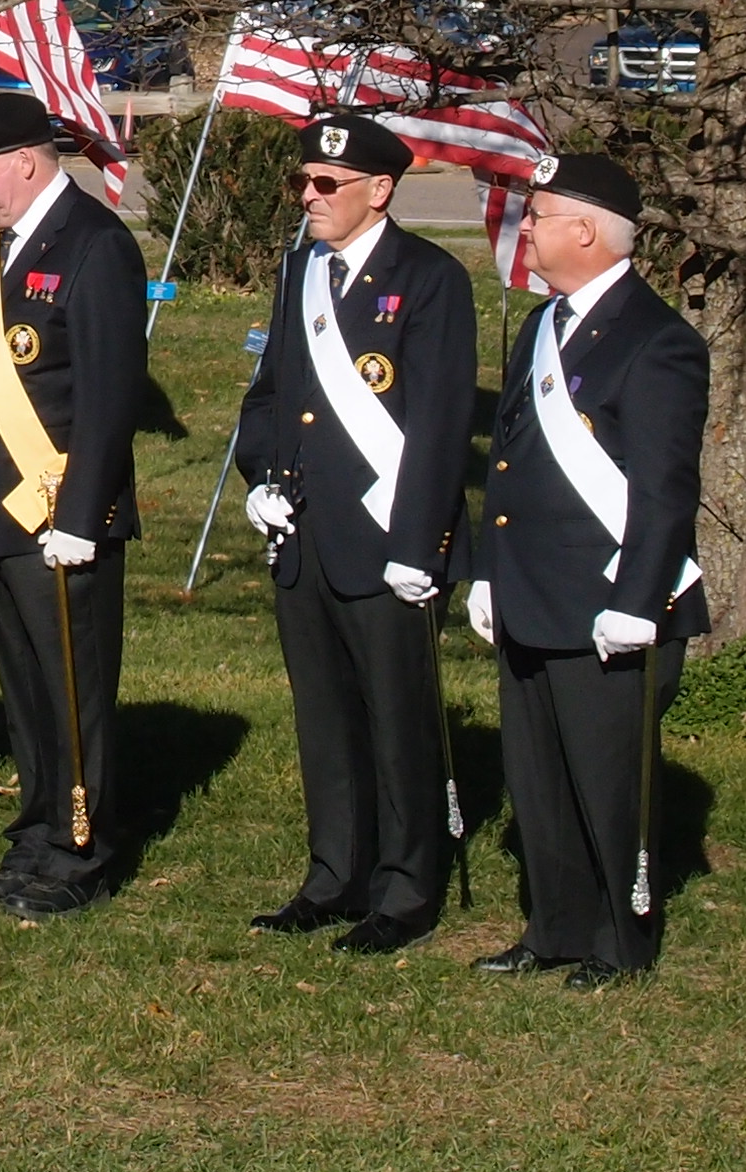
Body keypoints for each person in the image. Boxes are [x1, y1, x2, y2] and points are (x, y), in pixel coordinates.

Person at [234, 112, 478, 953]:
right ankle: (334, 874)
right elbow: (270, 394)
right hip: (304, 536)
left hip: (386, 542)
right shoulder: (302, 270)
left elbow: (443, 428)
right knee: (325, 719)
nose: (309, 196)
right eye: (303, 181)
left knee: (400, 720)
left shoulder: (431, 278)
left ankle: (406, 888)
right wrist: (260, 477)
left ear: (380, 192)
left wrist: (422, 547)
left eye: (327, 185)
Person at [469, 154, 710, 989]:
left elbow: (665, 487)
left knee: (608, 783)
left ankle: (621, 937)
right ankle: (555, 926)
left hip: (610, 600)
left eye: (537, 214)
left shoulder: (659, 340)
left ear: (586, 230)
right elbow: (508, 460)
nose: (524, 227)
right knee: (537, 777)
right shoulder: (543, 325)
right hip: (533, 590)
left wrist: (639, 600)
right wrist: (488, 572)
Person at [0, 92, 144, 916]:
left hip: (58, 520)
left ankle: (80, 851)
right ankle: (36, 834)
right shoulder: (1, 243)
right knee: (25, 693)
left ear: (25, 161)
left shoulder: (94, 246)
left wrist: (81, 519)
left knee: (74, 694)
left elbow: (107, 397)